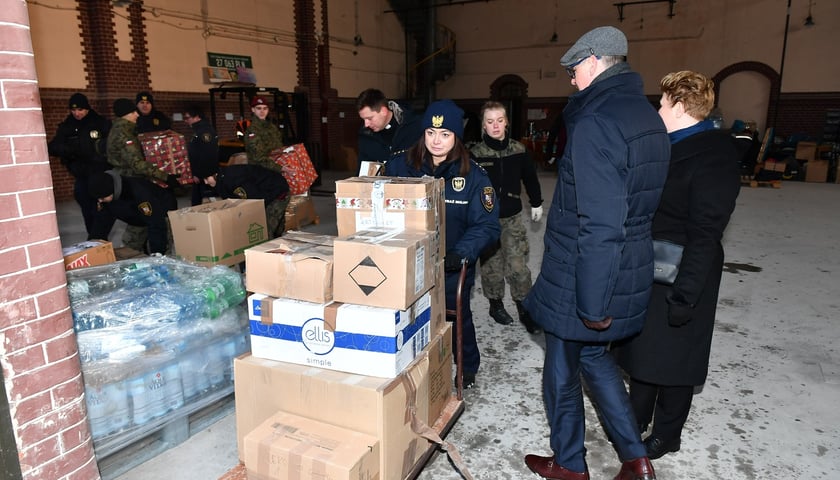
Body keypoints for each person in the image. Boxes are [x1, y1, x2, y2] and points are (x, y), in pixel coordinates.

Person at [521, 26, 670, 480]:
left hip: (585, 273)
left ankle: (569, 463)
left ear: (594, 62)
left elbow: (601, 223)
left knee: (561, 375)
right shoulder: (645, 116)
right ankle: (636, 458)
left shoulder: (596, 122)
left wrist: (591, 301)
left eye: (573, 69)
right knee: (595, 359)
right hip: (626, 266)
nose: (570, 79)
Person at [611, 71, 741, 461]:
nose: (658, 109)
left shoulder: (715, 156)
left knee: (677, 359)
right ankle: (636, 418)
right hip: (652, 267)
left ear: (681, 107)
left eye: (663, 103)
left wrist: (687, 293)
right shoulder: (668, 145)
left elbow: (706, 232)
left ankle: (668, 434)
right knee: (646, 351)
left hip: (685, 273)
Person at [385, 99, 500, 389]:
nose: (437, 141)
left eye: (445, 134)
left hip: (451, 265)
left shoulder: (473, 176)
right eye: (431, 133)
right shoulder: (400, 166)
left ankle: (467, 365)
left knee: (457, 317)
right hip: (404, 262)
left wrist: (461, 253)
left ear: (456, 137)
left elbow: (487, 225)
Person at [470, 100, 543, 333]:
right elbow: (468, 187)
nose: (495, 126)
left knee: (518, 266)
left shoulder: (519, 151)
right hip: (486, 220)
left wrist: (537, 202)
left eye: (500, 121)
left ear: (507, 123)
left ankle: (525, 308)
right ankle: (495, 305)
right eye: (490, 122)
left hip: (512, 217)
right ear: (483, 125)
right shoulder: (475, 154)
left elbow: (530, 178)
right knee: (492, 267)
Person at [107, 98, 179, 252]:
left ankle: (133, 252)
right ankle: (153, 254)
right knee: (152, 217)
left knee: (140, 220)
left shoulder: (121, 130)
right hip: (132, 182)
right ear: (125, 115)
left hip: (127, 181)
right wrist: (165, 177)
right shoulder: (124, 135)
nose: (137, 115)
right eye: (133, 112)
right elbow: (137, 165)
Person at [47, 93, 111, 235]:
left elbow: (110, 145)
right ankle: (94, 238)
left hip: (98, 172)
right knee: (86, 205)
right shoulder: (67, 125)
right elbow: (53, 147)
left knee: (101, 208)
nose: (77, 113)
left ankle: (100, 237)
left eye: (80, 110)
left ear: (87, 109)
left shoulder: (99, 122)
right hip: (81, 173)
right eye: (73, 110)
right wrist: (71, 150)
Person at [87, 171, 173, 255]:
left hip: (161, 212)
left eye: (102, 198)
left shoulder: (139, 192)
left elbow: (156, 223)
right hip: (136, 216)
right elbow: (101, 223)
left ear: (112, 191)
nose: (99, 200)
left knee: (159, 250)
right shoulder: (106, 196)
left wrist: (157, 254)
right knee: (129, 250)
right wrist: (90, 248)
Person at [243, 96, 290, 237]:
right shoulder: (252, 131)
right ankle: (266, 239)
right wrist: (281, 168)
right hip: (261, 174)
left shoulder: (271, 127)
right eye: (258, 109)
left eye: (265, 108)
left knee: (282, 199)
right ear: (253, 110)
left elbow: (278, 150)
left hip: (274, 172)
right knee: (272, 205)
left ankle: (276, 236)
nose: (262, 111)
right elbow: (259, 158)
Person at [356, 88, 423, 170]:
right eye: (363, 119)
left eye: (370, 118)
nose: (366, 124)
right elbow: (363, 171)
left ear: (384, 111)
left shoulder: (413, 126)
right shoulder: (365, 135)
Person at [184, 105, 220, 205]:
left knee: (208, 203)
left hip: (206, 177)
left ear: (197, 117)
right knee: (197, 203)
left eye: (187, 118)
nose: (186, 121)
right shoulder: (198, 131)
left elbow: (208, 155)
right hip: (201, 175)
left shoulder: (205, 132)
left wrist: (199, 174)